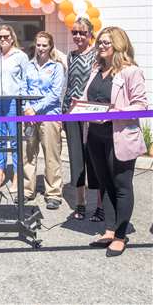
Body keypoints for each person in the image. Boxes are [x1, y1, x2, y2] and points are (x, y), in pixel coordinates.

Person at [85, 27, 148, 257]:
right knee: (105, 185)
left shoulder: (131, 71)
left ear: (118, 45)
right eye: (100, 42)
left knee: (121, 186)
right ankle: (109, 230)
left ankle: (121, 236)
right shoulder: (96, 69)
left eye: (106, 43)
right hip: (95, 136)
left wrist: (113, 112)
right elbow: (89, 99)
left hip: (119, 136)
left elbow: (141, 105)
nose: (101, 46)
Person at [62, 18, 102, 220]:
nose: (78, 36)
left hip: (91, 112)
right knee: (76, 158)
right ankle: (80, 203)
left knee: (95, 158)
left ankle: (101, 206)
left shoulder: (98, 54)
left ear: (90, 34)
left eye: (82, 33)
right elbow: (69, 85)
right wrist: (64, 112)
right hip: (71, 112)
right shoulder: (71, 56)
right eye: (74, 32)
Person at [21, 31, 64, 210]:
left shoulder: (57, 67)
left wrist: (35, 109)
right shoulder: (28, 66)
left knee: (51, 156)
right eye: (38, 45)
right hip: (29, 117)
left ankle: (53, 193)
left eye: (44, 45)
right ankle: (27, 191)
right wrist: (26, 108)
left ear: (50, 46)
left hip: (49, 115)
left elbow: (55, 94)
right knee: (28, 155)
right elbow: (23, 88)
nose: (41, 48)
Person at [0, 25, 29, 190]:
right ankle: (0, 171)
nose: (2, 39)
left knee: (15, 139)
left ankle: (17, 175)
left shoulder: (21, 56)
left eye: (5, 36)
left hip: (13, 101)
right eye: (0, 36)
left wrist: (24, 104)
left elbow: (25, 81)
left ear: (12, 38)